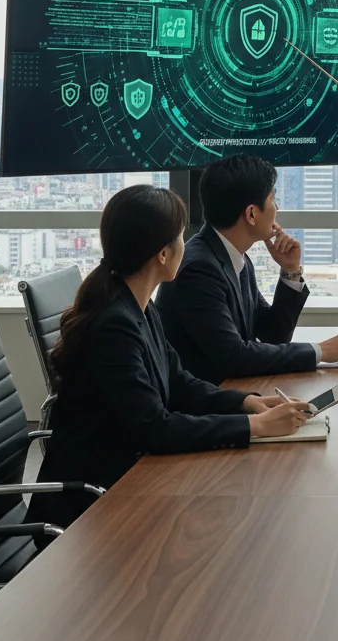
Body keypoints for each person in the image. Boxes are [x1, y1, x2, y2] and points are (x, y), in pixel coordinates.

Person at [25, 185, 311, 536]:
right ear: (163, 254)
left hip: (128, 481)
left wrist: (248, 403)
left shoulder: (139, 307)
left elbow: (179, 383)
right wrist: (257, 426)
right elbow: (155, 429)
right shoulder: (115, 325)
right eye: (180, 237)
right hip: (91, 512)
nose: (186, 245)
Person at [156, 155, 338, 385]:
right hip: (204, 401)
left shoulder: (235, 257)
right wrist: (320, 351)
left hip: (233, 391)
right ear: (251, 214)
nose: (277, 208)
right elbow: (234, 356)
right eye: (273, 199)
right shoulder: (199, 269)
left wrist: (290, 271)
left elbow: (273, 335)